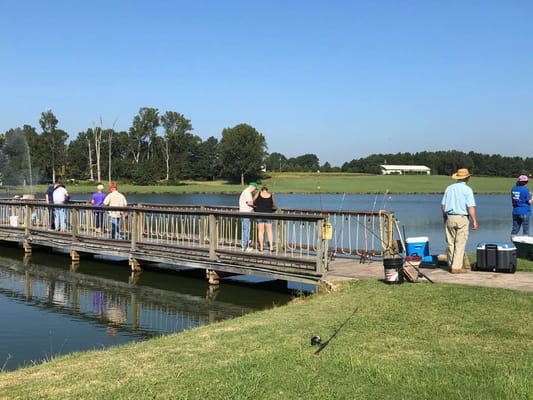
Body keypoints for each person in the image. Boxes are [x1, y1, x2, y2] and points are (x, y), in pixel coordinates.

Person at [441, 168, 478, 273]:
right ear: (467, 178)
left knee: (451, 243)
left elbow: (443, 205)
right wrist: (474, 220)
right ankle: (456, 267)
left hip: (449, 217)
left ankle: (451, 264)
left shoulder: (449, 188)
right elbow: (470, 207)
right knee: (460, 243)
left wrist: (444, 216)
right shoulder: (467, 190)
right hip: (462, 217)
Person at [253, 185, 276, 252]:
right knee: (269, 231)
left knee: (261, 231)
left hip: (259, 214)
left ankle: (261, 248)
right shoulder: (270, 195)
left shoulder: (258, 193)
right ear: (267, 190)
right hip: (268, 214)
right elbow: (273, 204)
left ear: (262, 189)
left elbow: (253, 201)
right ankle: (271, 247)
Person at [239, 182, 259, 251]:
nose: (254, 190)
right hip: (246, 212)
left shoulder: (245, 191)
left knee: (245, 229)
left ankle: (244, 244)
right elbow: (250, 203)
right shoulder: (247, 192)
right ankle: (245, 246)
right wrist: (256, 206)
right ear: (252, 187)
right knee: (246, 229)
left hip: (243, 212)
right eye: (255, 189)